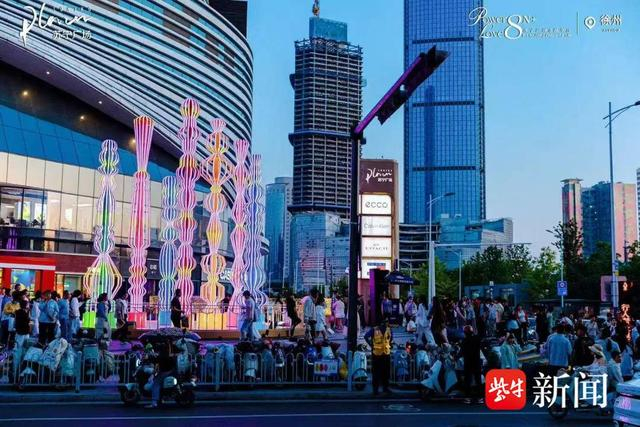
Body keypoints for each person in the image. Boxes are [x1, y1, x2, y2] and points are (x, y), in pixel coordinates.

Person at [364, 317, 393, 396]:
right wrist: (371, 345)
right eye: (386, 321)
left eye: (387, 321)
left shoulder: (388, 330)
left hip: (384, 353)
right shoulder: (375, 329)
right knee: (378, 373)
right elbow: (366, 336)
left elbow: (390, 339)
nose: (386, 323)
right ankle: (377, 390)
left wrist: (388, 345)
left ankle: (384, 388)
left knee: (384, 372)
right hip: (378, 354)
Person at [146, 340, 176, 409]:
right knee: (160, 382)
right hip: (170, 370)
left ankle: (154, 402)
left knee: (156, 383)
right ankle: (161, 398)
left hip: (165, 371)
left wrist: (151, 358)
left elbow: (157, 363)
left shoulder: (162, 354)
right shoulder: (169, 351)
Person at [460, 325, 483, 404]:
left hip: (468, 362)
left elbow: (461, 352)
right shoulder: (477, 339)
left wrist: (456, 357)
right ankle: (480, 398)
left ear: (465, 333)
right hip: (476, 361)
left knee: (467, 380)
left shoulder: (464, 340)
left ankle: (468, 398)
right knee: (478, 380)